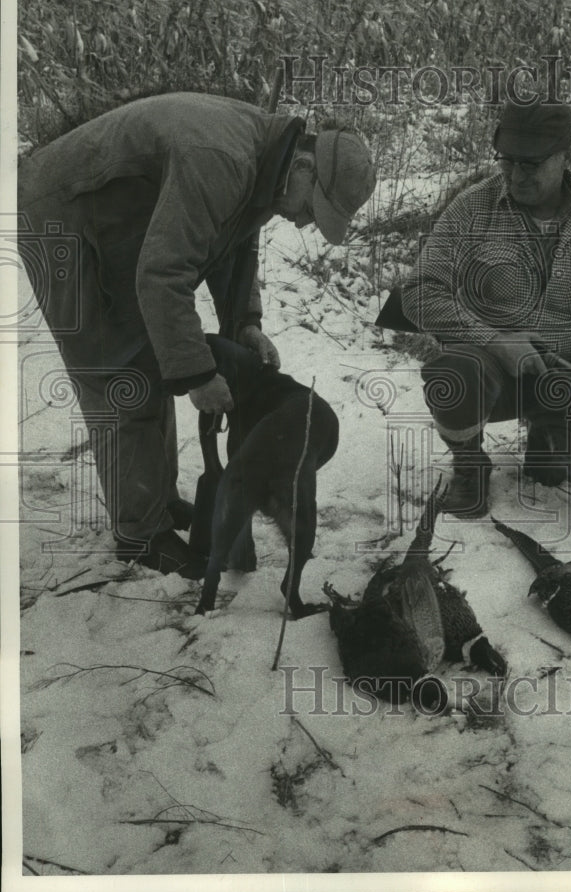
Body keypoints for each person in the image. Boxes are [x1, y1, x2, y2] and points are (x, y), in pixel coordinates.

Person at [18, 92, 376, 574]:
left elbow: (233, 245)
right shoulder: (222, 158)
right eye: (312, 210)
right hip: (61, 211)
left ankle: (156, 504)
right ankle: (140, 537)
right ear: (306, 168)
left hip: (118, 214)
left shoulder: (267, 162)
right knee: (117, 373)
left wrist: (246, 324)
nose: (303, 222)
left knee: (148, 358)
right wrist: (199, 374)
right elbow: (164, 274)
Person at [401, 101, 571, 517]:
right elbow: (419, 291)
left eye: (532, 164)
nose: (517, 176)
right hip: (489, 369)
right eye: (508, 161)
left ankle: (547, 436)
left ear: (568, 158)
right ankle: (469, 462)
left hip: (568, 371)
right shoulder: (472, 208)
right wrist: (495, 341)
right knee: (452, 374)